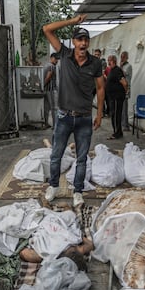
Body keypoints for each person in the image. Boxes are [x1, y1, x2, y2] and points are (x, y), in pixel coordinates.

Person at [42, 14, 105, 207]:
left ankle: (78, 191)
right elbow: (47, 29)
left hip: (85, 118)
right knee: (56, 155)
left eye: (86, 39)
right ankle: (53, 186)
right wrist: (72, 22)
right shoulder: (64, 54)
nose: (83, 43)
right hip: (64, 117)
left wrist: (100, 113)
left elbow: (101, 88)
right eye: (79, 39)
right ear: (74, 42)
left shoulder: (95, 63)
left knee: (82, 158)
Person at [105, 54, 128, 140]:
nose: (108, 62)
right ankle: (119, 132)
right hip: (112, 96)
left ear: (113, 61)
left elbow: (124, 83)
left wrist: (124, 92)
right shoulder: (112, 70)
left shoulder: (117, 70)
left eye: (109, 60)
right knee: (114, 114)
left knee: (115, 115)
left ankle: (116, 133)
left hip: (116, 97)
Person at [43, 52, 59, 128]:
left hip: (46, 90)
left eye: (58, 59)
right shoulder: (52, 66)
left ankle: (46, 123)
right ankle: (55, 125)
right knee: (54, 108)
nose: (57, 61)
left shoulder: (45, 65)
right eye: (56, 59)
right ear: (51, 58)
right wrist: (44, 84)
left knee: (46, 107)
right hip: (51, 90)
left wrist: (43, 86)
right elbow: (48, 76)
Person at [120, 51, 133, 131]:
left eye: (124, 57)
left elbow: (123, 74)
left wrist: (120, 67)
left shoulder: (128, 66)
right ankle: (122, 123)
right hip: (120, 89)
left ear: (127, 57)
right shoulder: (122, 65)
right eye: (121, 56)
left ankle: (126, 125)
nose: (122, 58)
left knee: (124, 108)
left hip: (126, 89)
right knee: (121, 107)